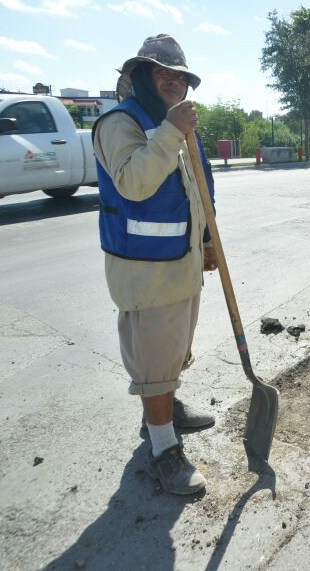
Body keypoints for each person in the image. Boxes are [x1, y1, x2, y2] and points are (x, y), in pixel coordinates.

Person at [93, 34, 218, 495]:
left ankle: (166, 406)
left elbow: (196, 186)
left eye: (179, 75)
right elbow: (134, 184)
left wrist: (206, 240)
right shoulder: (119, 122)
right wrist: (170, 132)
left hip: (180, 260)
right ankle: (163, 446)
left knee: (175, 347)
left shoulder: (175, 125)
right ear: (140, 76)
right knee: (153, 357)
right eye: (161, 72)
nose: (172, 80)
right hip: (145, 268)